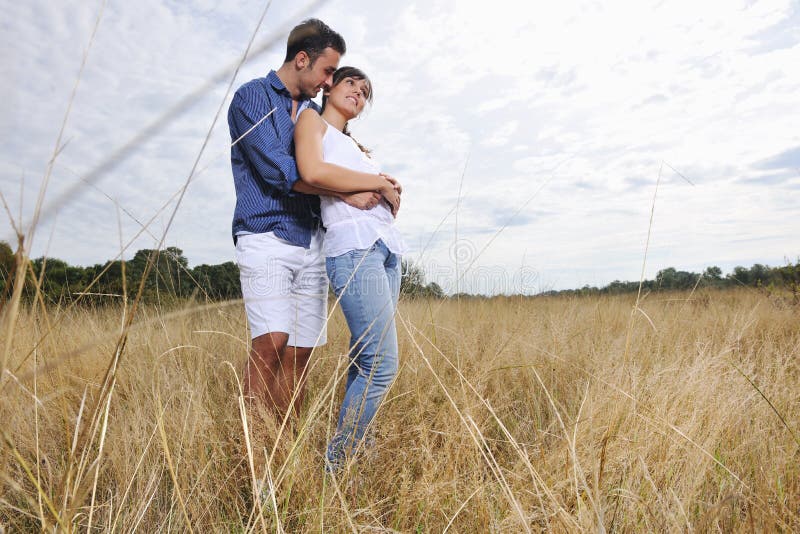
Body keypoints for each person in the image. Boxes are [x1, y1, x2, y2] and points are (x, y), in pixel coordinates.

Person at [228, 19, 383, 418]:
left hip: (312, 240)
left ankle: (285, 447)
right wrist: (351, 189)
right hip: (266, 234)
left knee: (301, 352)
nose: (330, 81)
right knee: (271, 342)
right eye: (328, 71)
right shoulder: (252, 98)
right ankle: (250, 448)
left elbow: (333, 162)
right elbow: (281, 172)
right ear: (302, 59)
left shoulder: (315, 115)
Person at [293, 66, 406, 471]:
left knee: (364, 360)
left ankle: (358, 449)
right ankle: (337, 465)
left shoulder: (355, 146)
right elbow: (312, 172)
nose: (358, 92)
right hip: (353, 250)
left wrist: (388, 188)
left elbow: (361, 185)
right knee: (382, 363)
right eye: (350, 84)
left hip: (384, 249)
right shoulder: (311, 119)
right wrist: (375, 184)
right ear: (329, 88)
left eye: (365, 91)